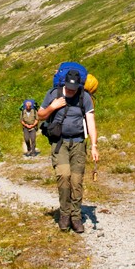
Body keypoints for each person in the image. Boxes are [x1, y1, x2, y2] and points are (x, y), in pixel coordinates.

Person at [38, 68, 98, 233]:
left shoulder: (84, 96)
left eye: (75, 87)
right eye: (69, 87)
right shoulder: (53, 94)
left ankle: (76, 217)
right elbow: (40, 115)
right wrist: (52, 107)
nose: (72, 90)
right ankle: (65, 214)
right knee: (64, 177)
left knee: (76, 181)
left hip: (78, 143)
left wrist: (94, 145)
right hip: (59, 143)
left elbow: (91, 121)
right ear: (65, 83)